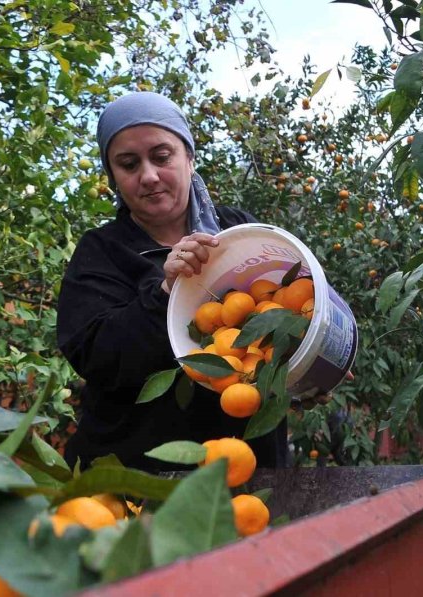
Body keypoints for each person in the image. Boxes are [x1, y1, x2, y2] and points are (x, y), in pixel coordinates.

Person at [56, 92, 289, 472]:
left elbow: (289, 310)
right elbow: (96, 356)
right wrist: (167, 293)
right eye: (128, 164)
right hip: (138, 480)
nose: (148, 176)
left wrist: (312, 367)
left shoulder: (240, 232)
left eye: (161, 157)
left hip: (249, 469)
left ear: (189, 158)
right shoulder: (102, 252)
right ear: (113, 176)